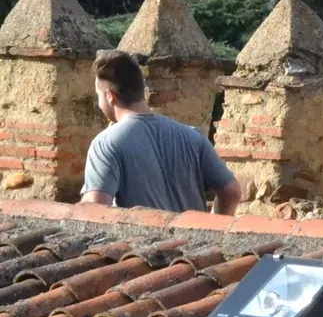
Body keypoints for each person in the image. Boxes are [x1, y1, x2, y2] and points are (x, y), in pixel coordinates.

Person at [80, 51, 242, 214]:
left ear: (109, 96)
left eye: (98, 95)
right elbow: (232, 192)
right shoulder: (193, 136)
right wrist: (211, 227)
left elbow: (97, 208)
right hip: (195, 239)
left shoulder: (106, 143)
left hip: (142, 239)